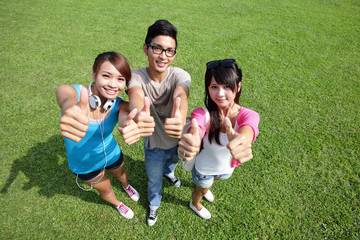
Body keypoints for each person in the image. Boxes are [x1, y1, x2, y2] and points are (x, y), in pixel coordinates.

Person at [56, 51, 154, 219]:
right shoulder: (75, 94)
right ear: (94, 73)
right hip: (84, 164)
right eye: (106, 76)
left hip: (111, 153)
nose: (113, 85)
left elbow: (126, 114)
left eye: (120, 79)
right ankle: (117, 203)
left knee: (122, 174)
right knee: (106, 188)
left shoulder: (118, 105)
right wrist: (70, 109)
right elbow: (63, 94)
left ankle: (126, 186)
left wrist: (131, 122)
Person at [127, 20, 191, 226]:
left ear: (174, 54)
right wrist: (138, 115)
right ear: (146, 48)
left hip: (175, 141)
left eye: (169, 51)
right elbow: (135, 94)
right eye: (157, 48)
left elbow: (182, 93)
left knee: (172, 163)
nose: (163, 56)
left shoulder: (180, 74)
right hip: (153, 146)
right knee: (153, 180)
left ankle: (169, 172)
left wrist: (181, 116)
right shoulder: (135, 76)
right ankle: (154, 205)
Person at [178, 59, 260, 219]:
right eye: (214, 87)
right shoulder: (202, 113)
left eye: (227, 86)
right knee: (200, 190)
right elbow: (197, 127)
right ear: (208, 88)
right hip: (204, 170)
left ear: (238, 86)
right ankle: (195, 203)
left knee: (212, 182)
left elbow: (249, 128)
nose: (220, 94)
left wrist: (243, 140)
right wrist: (194, 137)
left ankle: (206, 189)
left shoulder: (249, 115)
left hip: (226, 170)